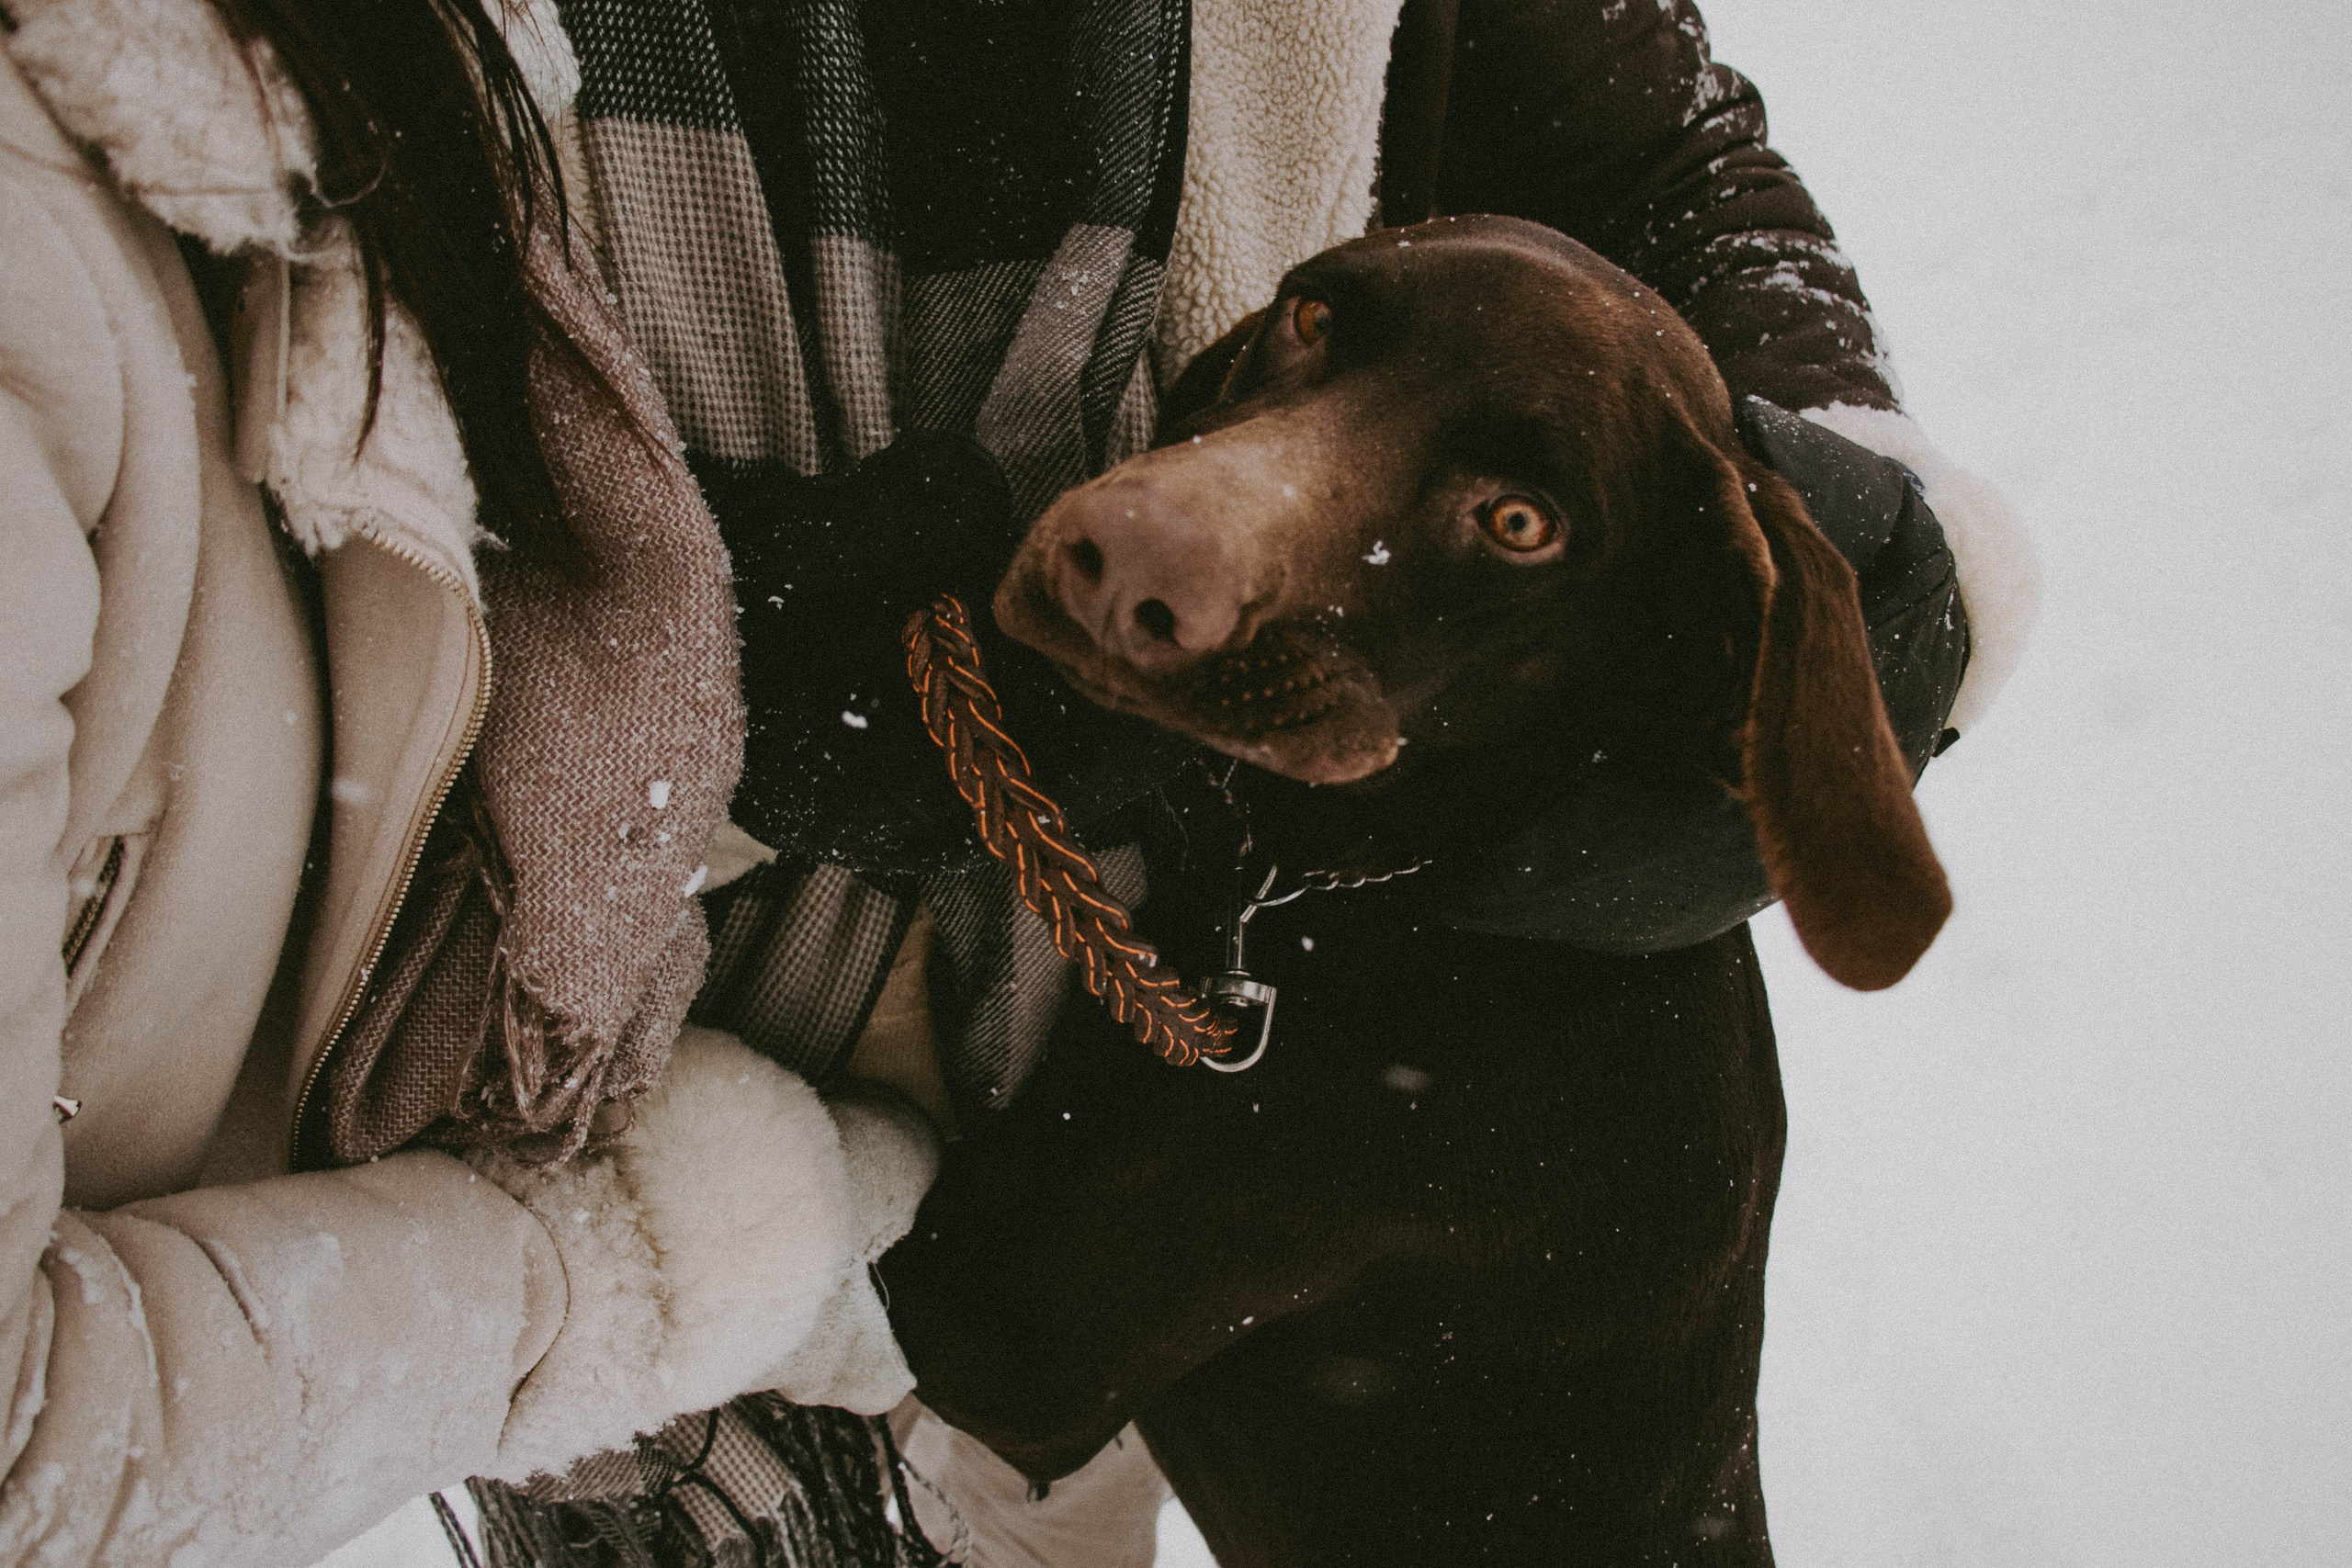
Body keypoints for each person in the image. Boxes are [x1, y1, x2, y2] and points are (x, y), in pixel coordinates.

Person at [463, 0, 2033, 1563]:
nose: (1182, 535)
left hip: (896, 1305)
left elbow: (995, 1348)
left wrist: (1865, 578)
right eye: (1312, 332)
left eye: (1515, 522)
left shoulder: (1469, 1052)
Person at [0, 0, 944, 1562]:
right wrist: (661, 1255)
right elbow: (32, 1465)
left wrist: (701, 773)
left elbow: (202, 773)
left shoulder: (262, 121)